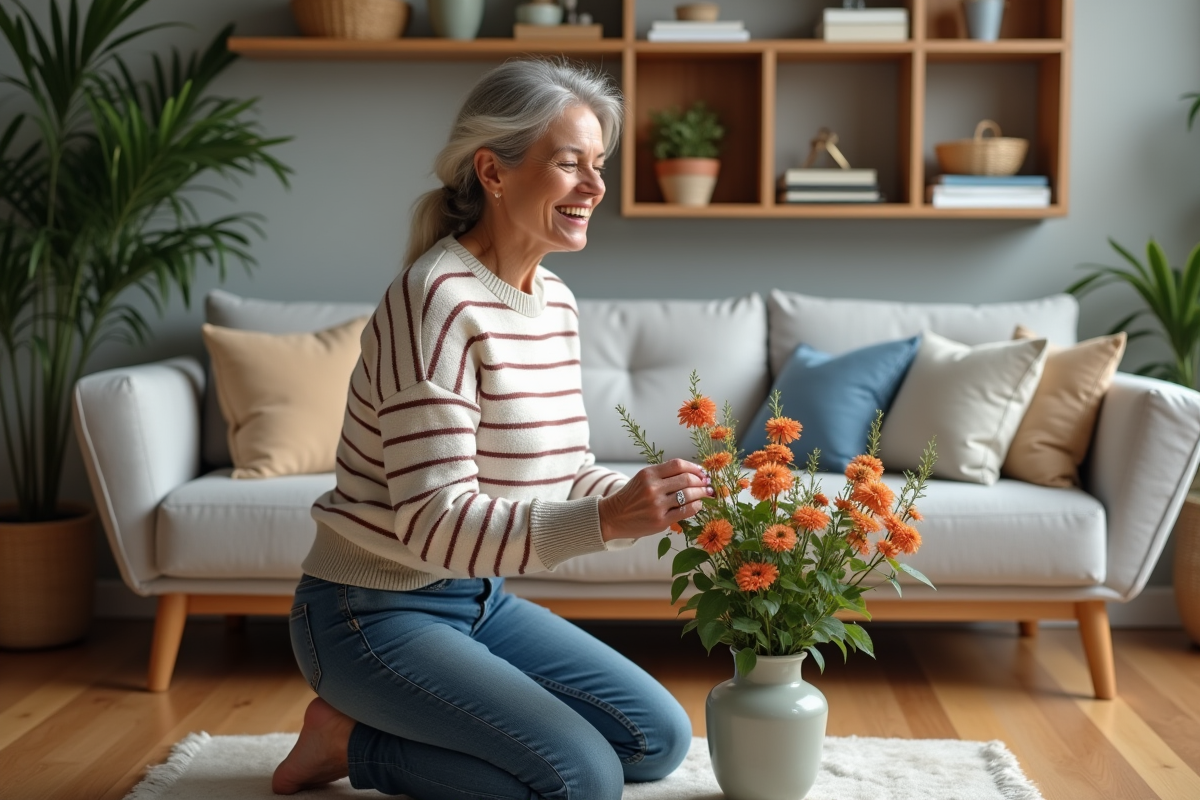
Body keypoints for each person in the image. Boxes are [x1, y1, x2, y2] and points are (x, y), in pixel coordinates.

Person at [272, 58, 711, 799]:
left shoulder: (556, 301)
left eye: (598, 166)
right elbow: (434, 526)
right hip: (368, 612)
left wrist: (666, 499)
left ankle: (373, 731)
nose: (596, 187)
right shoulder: (435, 300)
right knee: (581, 781)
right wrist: (605, 521)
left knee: (655, 739)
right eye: (571, 164)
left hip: (479, 598)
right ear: (494, 172)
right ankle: (346, 739)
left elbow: (567, 467)